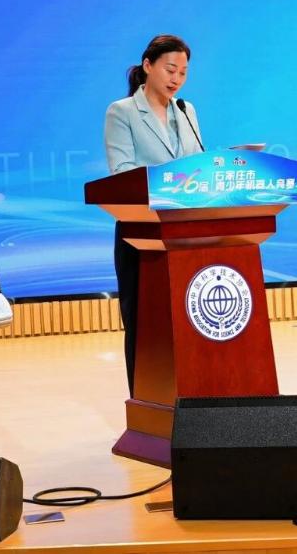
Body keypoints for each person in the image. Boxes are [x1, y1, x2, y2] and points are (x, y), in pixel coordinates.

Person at [104, 34, 204, 394]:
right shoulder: (122, 112)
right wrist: (174, 181)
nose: (177, 78)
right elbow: (122, 173)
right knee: (144, 322)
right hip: (141, 233)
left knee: (187, 320)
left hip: (185, 233)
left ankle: (194, 397)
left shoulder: (186, 111)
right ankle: (147, 401)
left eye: (183, 72)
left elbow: (198, 165)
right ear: (148, 66)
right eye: (170, 69)